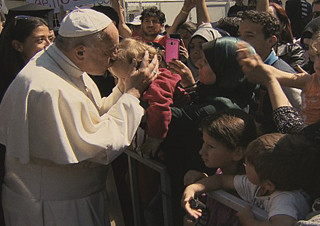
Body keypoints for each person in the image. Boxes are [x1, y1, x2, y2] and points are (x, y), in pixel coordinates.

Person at [0, 8, 158, 225]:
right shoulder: (46, 87)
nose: (114, 57)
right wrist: (133, 94)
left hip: (76, 199)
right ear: (81, 52)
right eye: (109, 51)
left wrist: (124, 86)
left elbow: (93, 115)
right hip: (55, 209)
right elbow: (98, 147)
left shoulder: (65, 65)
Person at [161, 36, 256, 225]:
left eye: (205, 63)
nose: (198, 64)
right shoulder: (228, 93)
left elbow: (168, 117)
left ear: (223, 69)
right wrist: (191, 87)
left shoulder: (219, 106)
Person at [182, 133, 311, 225]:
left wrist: (249, 222)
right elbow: (221, 180)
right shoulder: (256, 183)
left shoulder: (285, 199)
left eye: (249, 164)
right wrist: (193, 189)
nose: (244, 165)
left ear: (268, 185)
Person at [183, 109, 257, 226]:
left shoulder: (249, 191)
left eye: (211, 146)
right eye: (204, 142)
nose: (202, 151)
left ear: (237, 153)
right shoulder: (220, 172)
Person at [238, 10, 302, 134]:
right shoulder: (244, 68)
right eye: (239, 34)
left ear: (271, 41)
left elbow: (297, 124)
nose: (241, 41)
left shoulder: (284, 75)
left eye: (249, 36)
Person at [0, 15, 53, 102]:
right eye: (40, 40)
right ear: (18, 46)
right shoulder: (8, 86)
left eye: (50, 39)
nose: (49, 45)